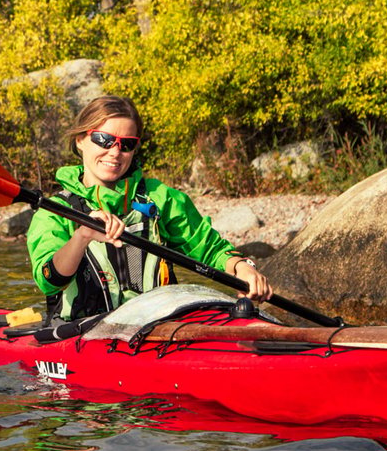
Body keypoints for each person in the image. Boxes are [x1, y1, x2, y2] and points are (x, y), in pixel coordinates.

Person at [26, 94, 272, 322]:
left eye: (126, 144)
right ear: (80, 140)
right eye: (105, 139)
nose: (115, 152)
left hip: (158, 329)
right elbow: (49, 281)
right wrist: (82, 236)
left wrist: (243, 268)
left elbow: (211, 251)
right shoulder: (55, 210)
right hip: (84, 332)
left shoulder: (159, 198)